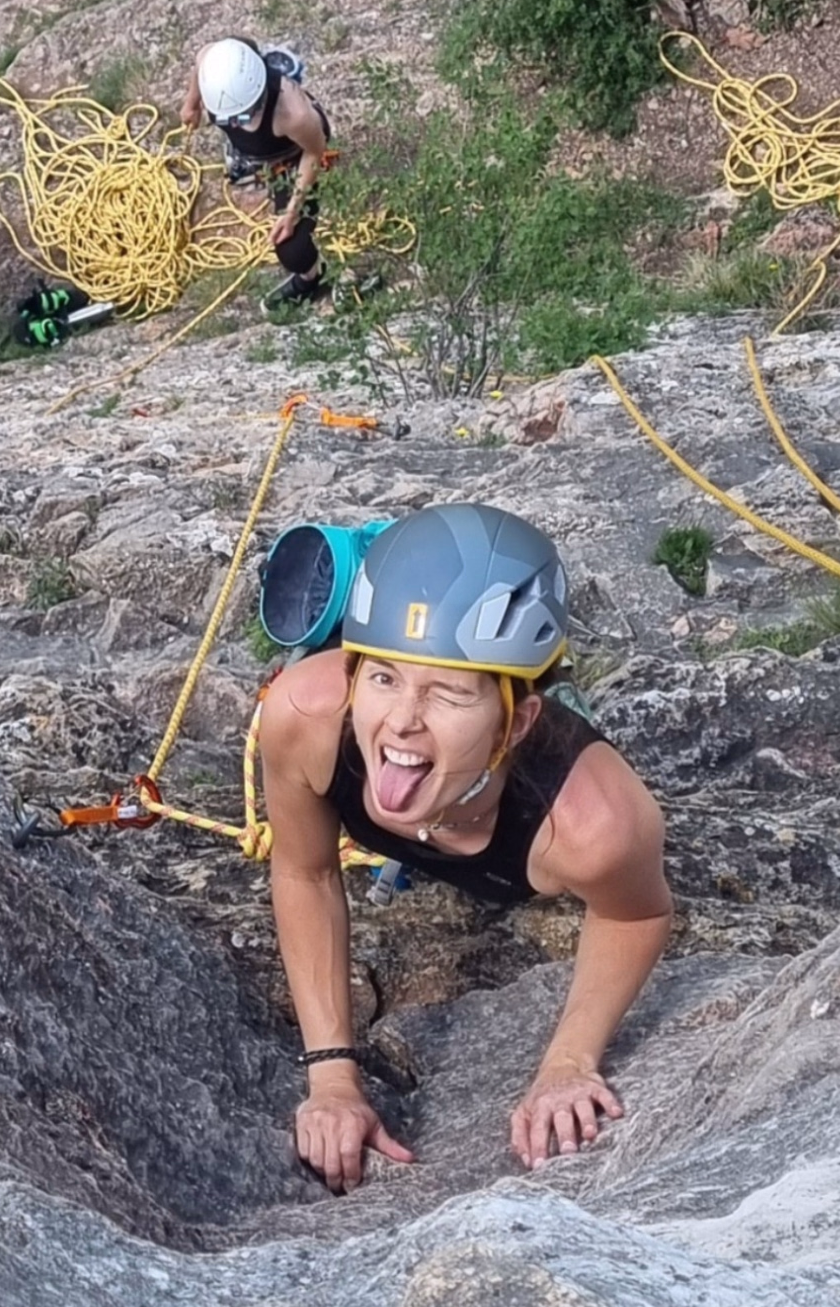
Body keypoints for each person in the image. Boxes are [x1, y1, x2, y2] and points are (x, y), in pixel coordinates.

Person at [257, 502, 672, 1190]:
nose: (402, 722)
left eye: (450, 692)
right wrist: (331, 1076)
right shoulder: (305, 719)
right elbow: (303, 870)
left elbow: (635, 913)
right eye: (384, 676)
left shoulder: (593, 825)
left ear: (518, 720)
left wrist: (568, 1062)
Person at [182, 37, 330, 310]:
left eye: (244, 115)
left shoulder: (294, 115)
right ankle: (248, 154)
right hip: (261, 150)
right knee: (247, 139)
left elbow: (315, 153)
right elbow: (199, 64)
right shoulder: (212, 63)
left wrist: (291, 212)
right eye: (230, 120)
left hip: (293, 156)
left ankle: (312, 276)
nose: (238, 123)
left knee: (292, 251)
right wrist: (192, 103)